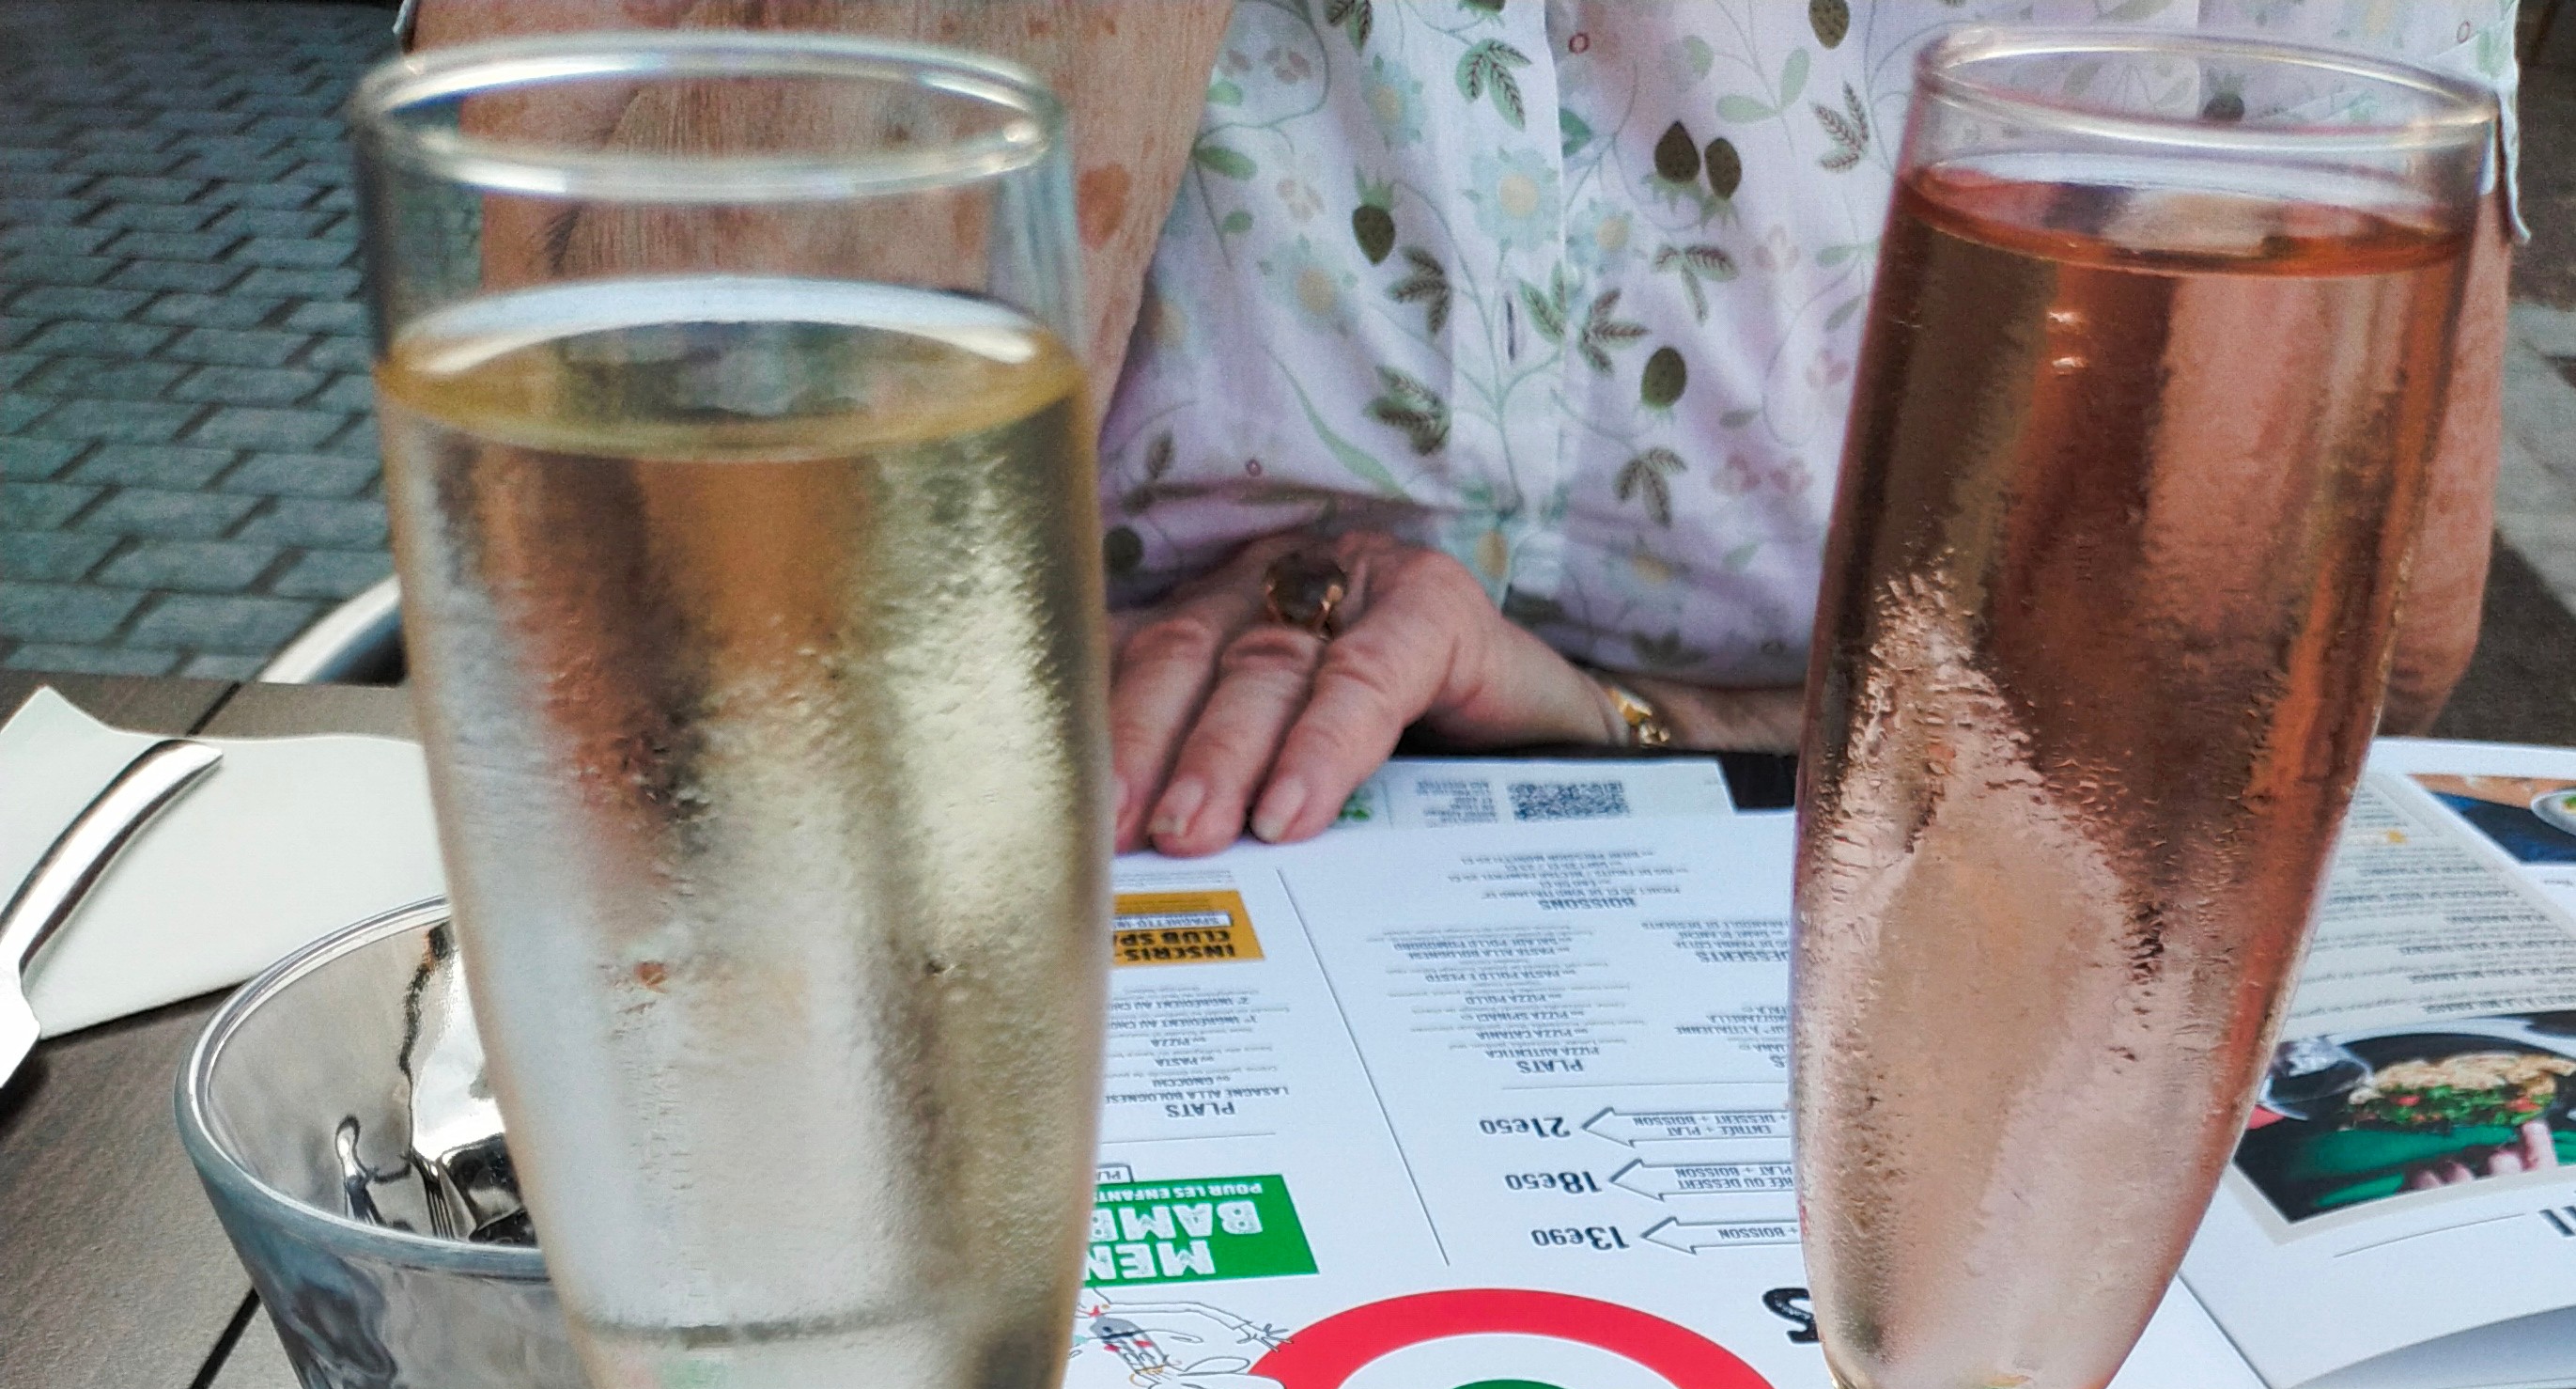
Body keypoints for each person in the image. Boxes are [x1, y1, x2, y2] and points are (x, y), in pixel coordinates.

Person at [411, 2, 2524, 853]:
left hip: (1880, 992)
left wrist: (1616, 717)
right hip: (992, 936)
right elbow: (647, 618)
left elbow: (2262, 680)